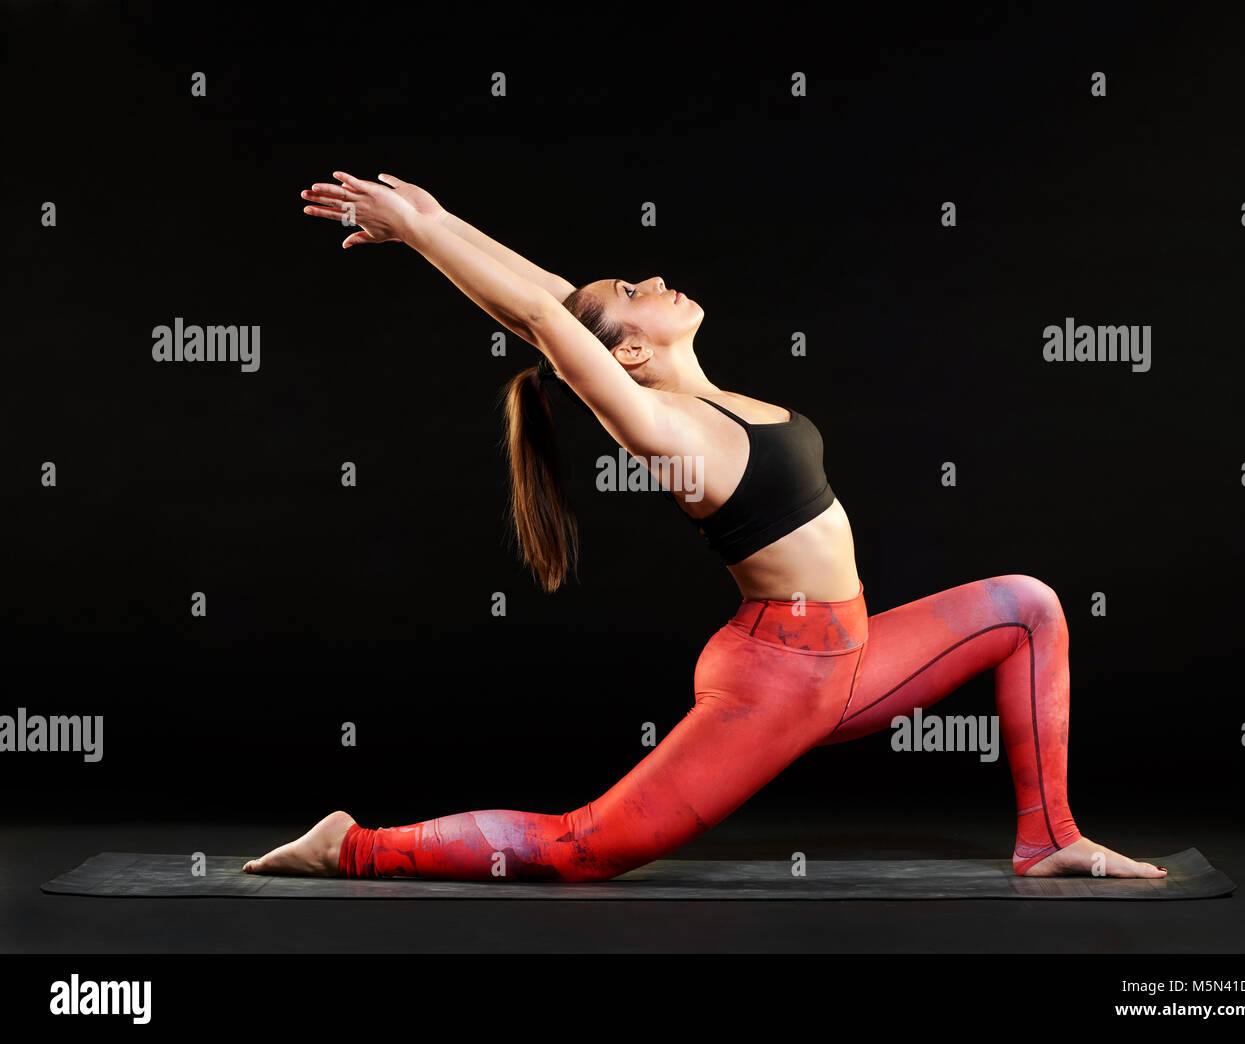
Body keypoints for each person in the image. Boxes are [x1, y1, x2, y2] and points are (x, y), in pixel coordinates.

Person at [242, 171, 1166, 882]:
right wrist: (424, 230)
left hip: (847, 656)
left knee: (1027, 606)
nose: (652, 277)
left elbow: (545, 303)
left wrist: (431, 226)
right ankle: (350, 848)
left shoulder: (706, 394)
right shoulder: (660, 423)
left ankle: (1050, 839)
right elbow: (542, 319)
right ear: (632, 352)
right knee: (584, 851)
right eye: (633, 290)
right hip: (784, 678)